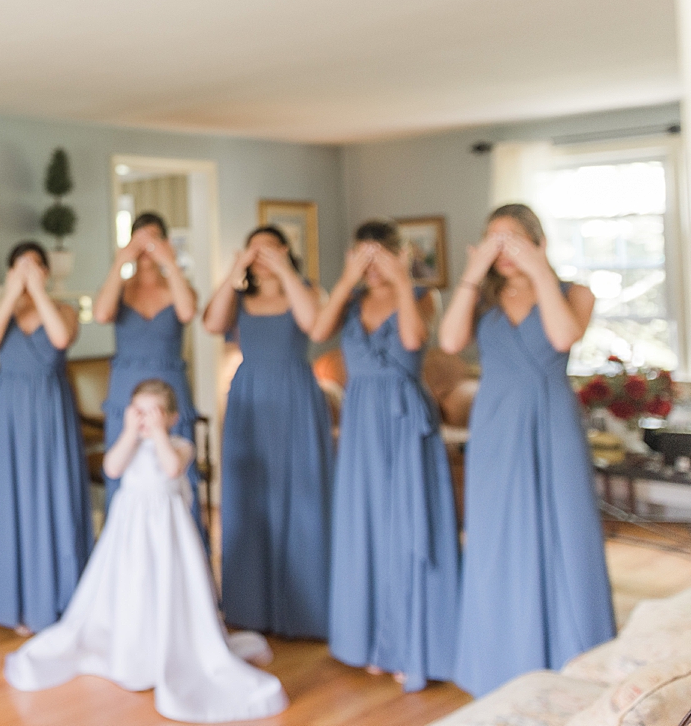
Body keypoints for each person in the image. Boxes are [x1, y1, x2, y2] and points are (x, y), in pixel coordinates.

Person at [4, 380, 288, 724]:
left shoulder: (180, 444)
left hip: (168, 535)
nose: (145, 421)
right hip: (128, 534)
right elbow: (111, 468)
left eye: (153, 413)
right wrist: (129, 431)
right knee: (131, 586)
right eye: (139, 412)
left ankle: (171, 647)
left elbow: (171, 468)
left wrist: (159, 435)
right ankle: (132, 648)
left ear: (171, 417)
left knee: (166, 586)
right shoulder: (130, 444)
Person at [438, 204, 612, 697]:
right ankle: (498, 657)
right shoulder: (483, 298)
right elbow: (450, 341)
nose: (502, 250)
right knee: (495, 535)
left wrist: (537, 269)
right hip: (495, 423)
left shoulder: (575, 293)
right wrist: (473, 273)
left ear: (536, 241)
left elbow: (561, 335)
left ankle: (574, 655)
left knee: (565, 527)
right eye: (492, 240)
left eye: (512, 238)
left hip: (552, 418)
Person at [308, 219, 459, 691]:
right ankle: (370, 639)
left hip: (403, 420)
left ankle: (412, 643)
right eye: (363, 256)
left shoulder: (422, 297)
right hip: (360, 425)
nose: (371, 266)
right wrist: (349, 280)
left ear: (397, 254)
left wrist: (398, 279)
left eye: (379, 256)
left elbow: (413, 342)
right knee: (367, 526)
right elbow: (316, 329)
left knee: (407, 525)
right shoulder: (350, 300)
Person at [204, 224, 331, 639]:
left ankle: (306, 610)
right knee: (250, 496)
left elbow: (314, 324)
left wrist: (286, 273)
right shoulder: (240, 299)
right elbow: (211, 323)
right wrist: (232, 273)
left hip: (295, 393)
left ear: (285, 251)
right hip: (249, 398)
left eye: (268, 250)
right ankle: (248, 605)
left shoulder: (309, 290)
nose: (260, 257)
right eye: (252, 250)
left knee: (301, 494)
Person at [0, 240, 93, 636]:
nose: (27, 272)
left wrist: (38, 290)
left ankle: (57, 597)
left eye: (36, 265)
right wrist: (11, 294)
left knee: (51, 496)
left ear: (46, 271)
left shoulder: (63, 310)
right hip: (7, 414)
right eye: (20, 266)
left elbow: (59, 339)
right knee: (11, 501)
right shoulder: (3, 312)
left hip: (49, 410)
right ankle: (14, 600)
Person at [92, 212, 200, 515]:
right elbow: (101, 314)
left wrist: (169, 262)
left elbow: (188, 312)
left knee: (173, 468)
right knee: (125, 465)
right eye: (140, 240)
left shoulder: (178, 285)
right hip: (126, 389)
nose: (146, 247)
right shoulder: (122, 288)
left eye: (154, 239)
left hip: (169, 386)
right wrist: (119, 262)